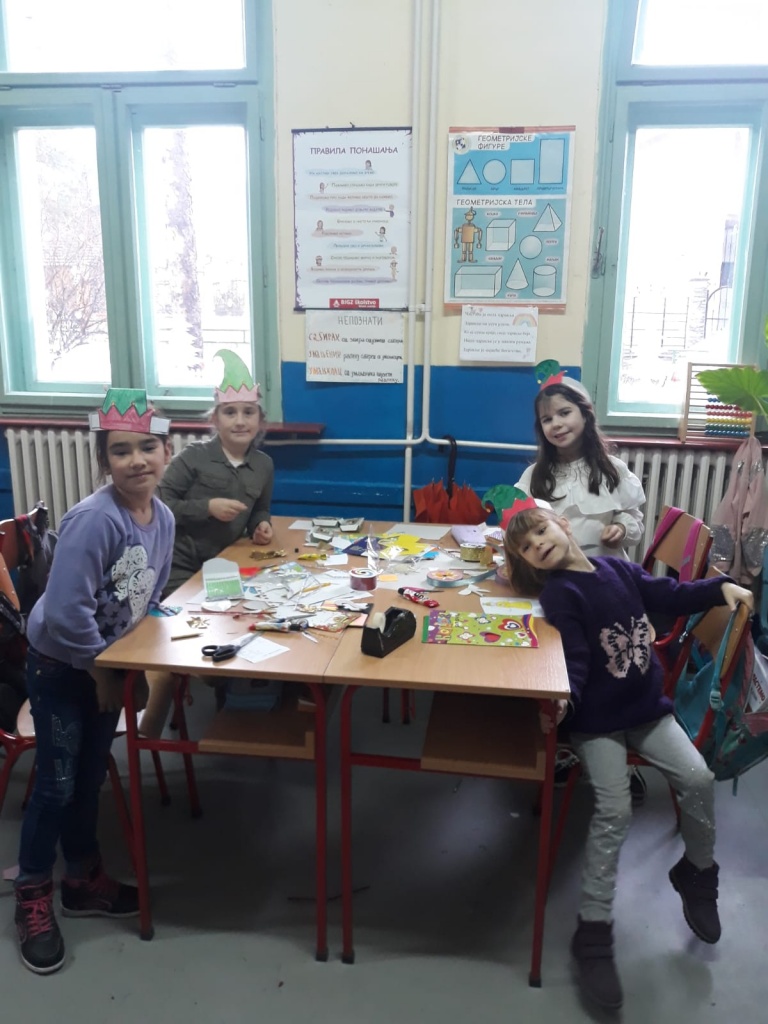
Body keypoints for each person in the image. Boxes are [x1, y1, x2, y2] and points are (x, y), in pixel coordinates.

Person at [503, 495, 754, 1011]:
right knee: (614, 810)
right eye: (526, 546)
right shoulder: (562, 594)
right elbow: (574, 657)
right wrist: (564, 700)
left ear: (562, 524)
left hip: (645, 711)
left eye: (542, 531)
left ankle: (698, 873)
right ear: (525, 560)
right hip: (596, 723)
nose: (538, 544)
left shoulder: (616, 569)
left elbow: (670, 593)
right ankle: (593, 932)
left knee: (698, 779)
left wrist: (719, 587)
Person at [13, 389, 175, 975]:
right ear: (103, 461)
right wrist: (100, 669)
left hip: (106, 665)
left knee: (87, 780)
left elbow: (147, 598)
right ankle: (33, 893)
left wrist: (134, 663)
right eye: (120, 450)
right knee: (55, 785)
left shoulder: (163, 518)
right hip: (62, 666)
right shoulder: (94, 520)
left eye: (147, 447)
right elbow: (63, 613)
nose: (136, 460)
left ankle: (81, 880)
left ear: (167, 451)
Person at [515, 361, 649, 799]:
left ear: (585, 414)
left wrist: (622, 529)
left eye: (564, 413)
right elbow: (518, 524)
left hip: (604, 586)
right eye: (546, 419)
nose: (556, 424)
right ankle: (561, 740)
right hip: (555, 587)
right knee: (547, 652)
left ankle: (618, 751)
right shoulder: (536, 475)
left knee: (603, 664)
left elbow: (634, 516)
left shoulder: (612, 469)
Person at [159, 349, 274, 597]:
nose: (240, 421)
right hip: (179, 565)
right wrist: (207, 507)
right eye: (230, 412)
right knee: (185, 612)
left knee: (232, 611)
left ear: (260, 420)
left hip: (226, 561)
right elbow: (159, 505)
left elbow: (260, 509)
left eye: (249, 412)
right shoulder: (194, 456)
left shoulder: (264, 465)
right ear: (216, 419)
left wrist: (261, 525)